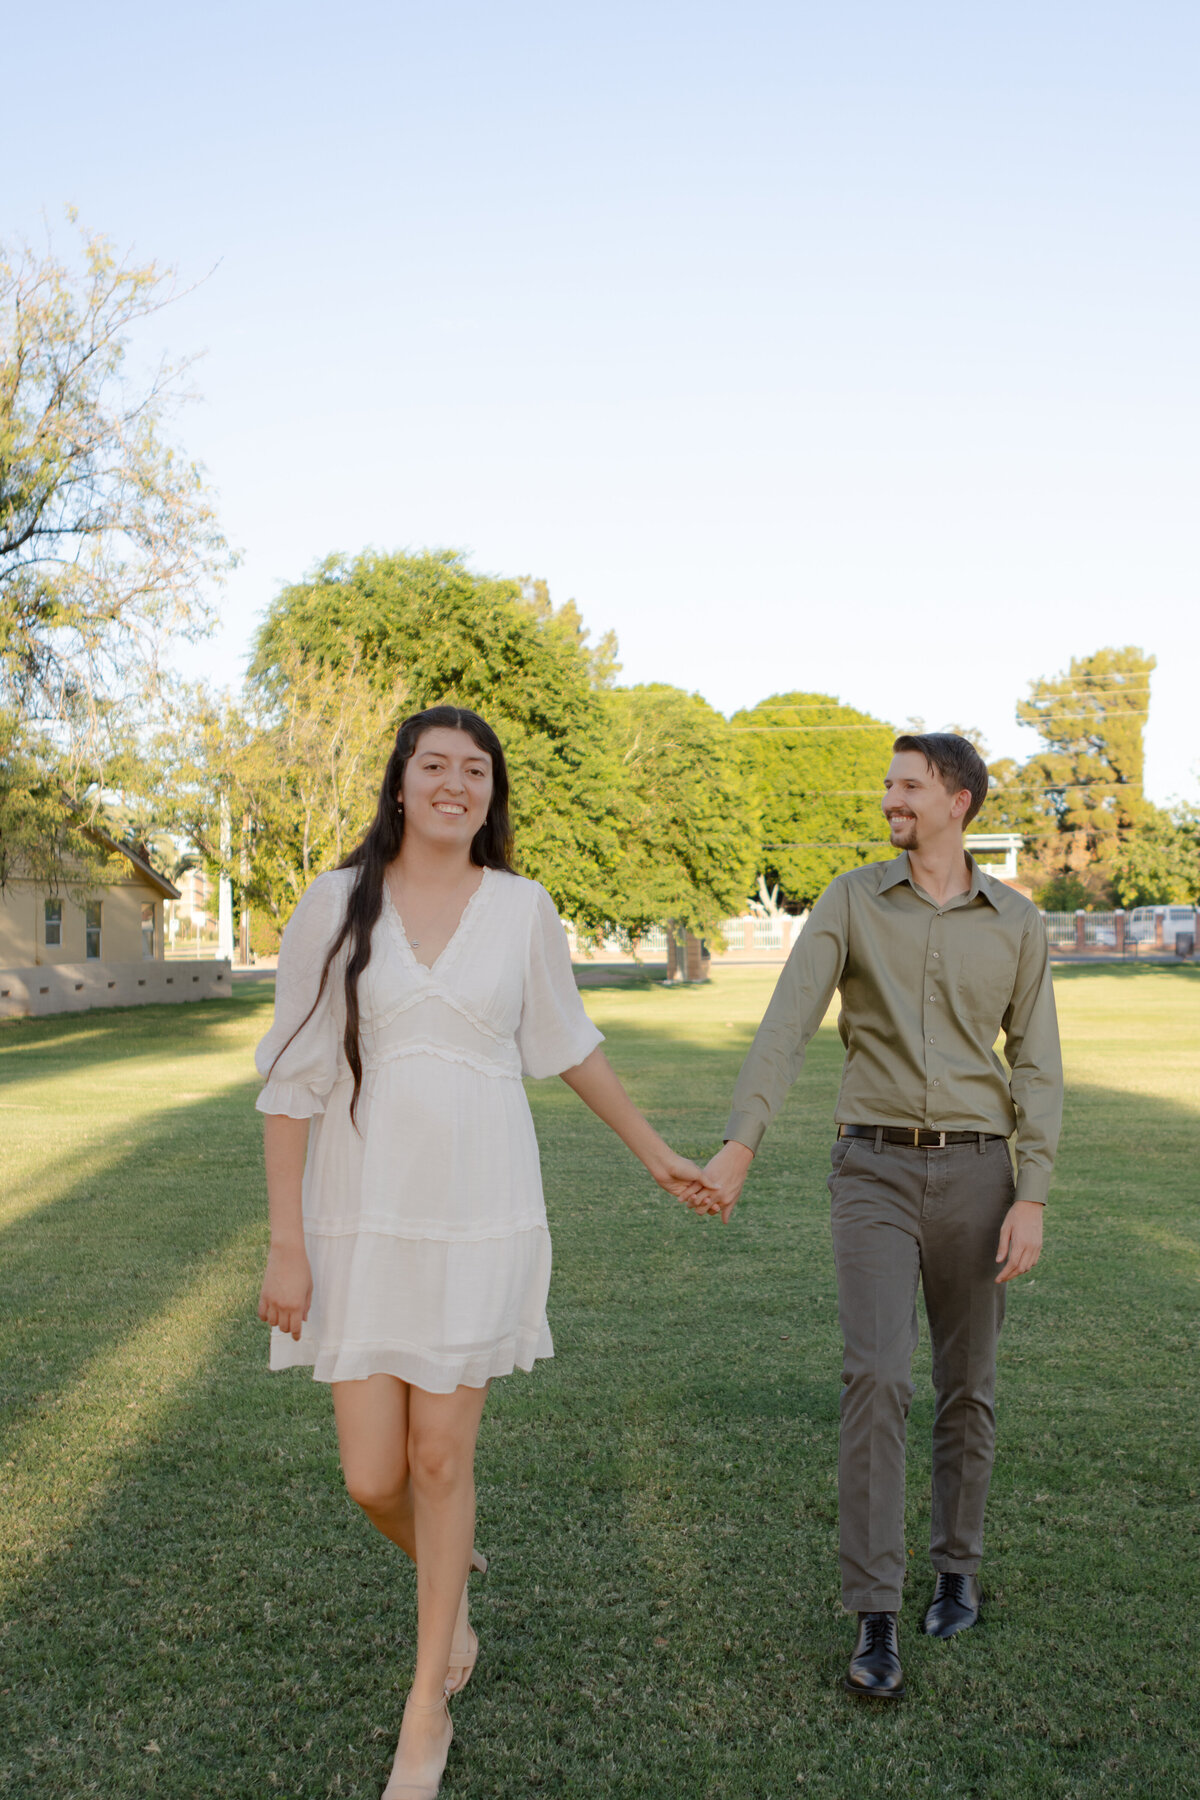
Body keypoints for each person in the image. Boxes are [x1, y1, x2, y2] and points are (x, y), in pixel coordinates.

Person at [255, 705, 718, 1797]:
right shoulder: (335, 902)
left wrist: (654, 1153)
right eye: (436, 766)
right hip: (359, 1219)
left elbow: (568, 1044)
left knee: (438, 1461)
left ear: (490, 794)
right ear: (402, 784)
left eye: (477, 770)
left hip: (481, 1211)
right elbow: (291, 1076)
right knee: (372, 1476)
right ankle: (450, 1590)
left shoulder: (521, 909)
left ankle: (427, 1707)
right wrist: (286, 1244)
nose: (457, 784)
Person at [701, 733, 1062, 1699]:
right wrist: (742, 1142)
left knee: (967, 1384)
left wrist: (1031, 1194)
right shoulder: (852, 899)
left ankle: (957, 1567)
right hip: (871, 1170)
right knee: (874, 1377)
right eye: (890, 784)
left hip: (982, 1179)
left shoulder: (1018, 923)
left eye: (909, 785)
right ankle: (875, 1614)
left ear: (960, 802)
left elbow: (1035, 1065)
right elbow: (786, 1022)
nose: (890, 798)